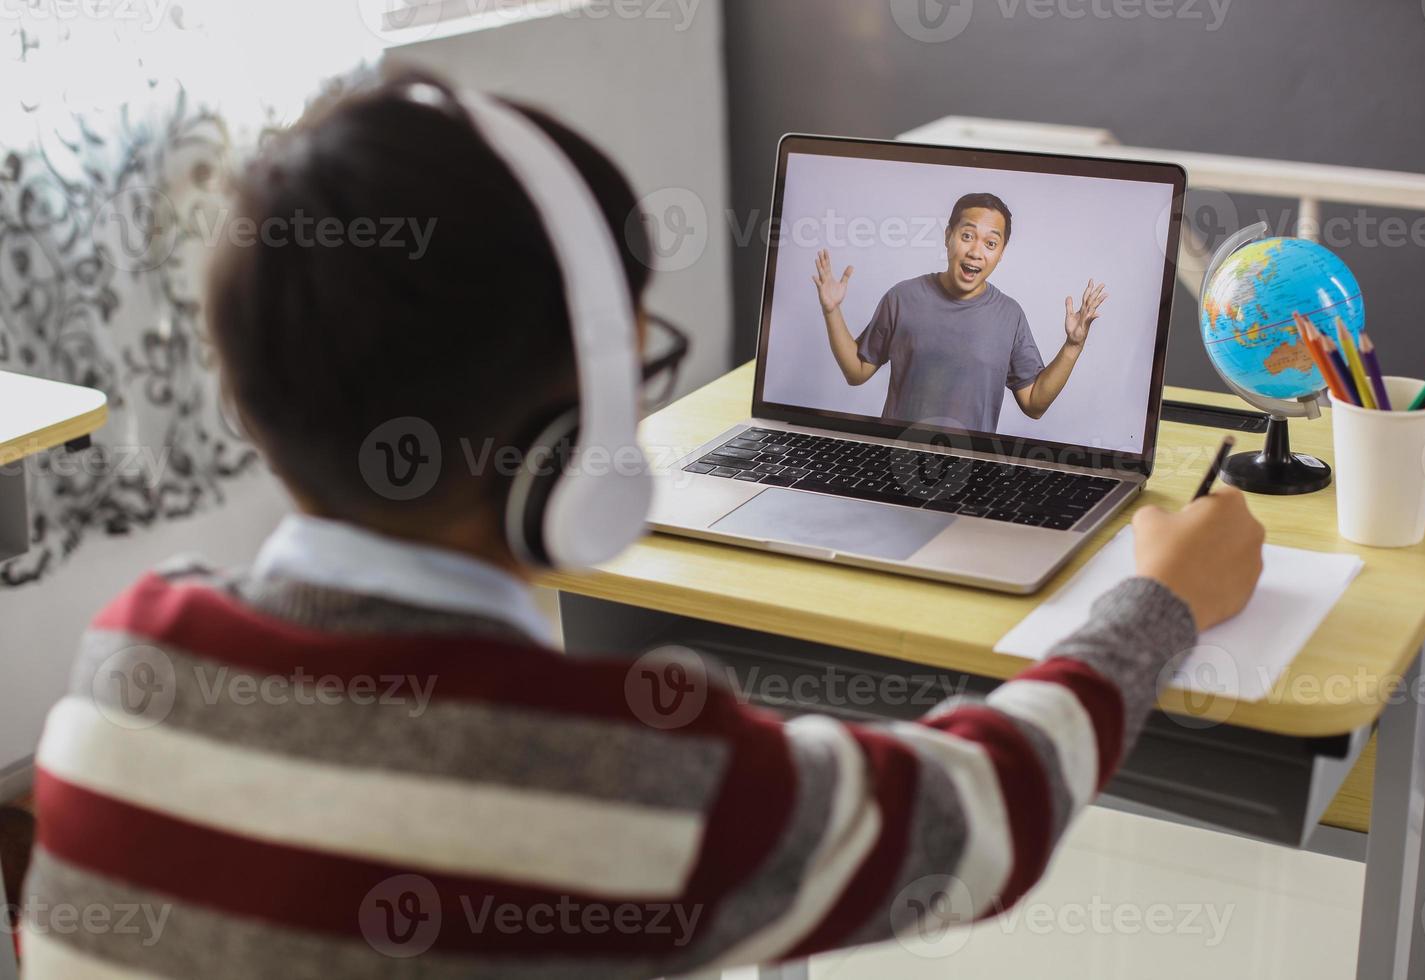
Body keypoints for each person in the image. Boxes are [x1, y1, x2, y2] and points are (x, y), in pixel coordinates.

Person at [19, 69, 1265, 978]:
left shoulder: (127, 662)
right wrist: (1158, 602)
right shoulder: (644, 778)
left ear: (249, 390)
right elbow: (991, 814)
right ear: (596, 397)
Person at [815, 193, 1106, 433]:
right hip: (896, 459)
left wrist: (1073, 346)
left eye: (990, 243)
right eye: (968, 235)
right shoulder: (903, 298)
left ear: (1001, 253)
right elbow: (856, 371)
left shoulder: (1009, 315)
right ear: (948, 237)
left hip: (971, 470)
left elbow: (1034, 404)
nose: (976, 251)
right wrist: (832, 310)